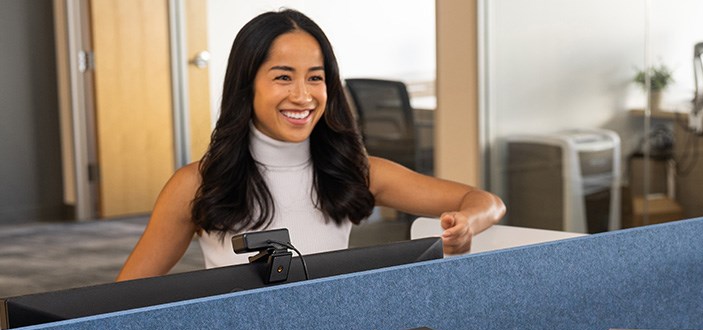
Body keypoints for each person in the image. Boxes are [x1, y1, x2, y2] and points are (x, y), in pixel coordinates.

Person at [117, 9, 504, 280]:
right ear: (246, 84)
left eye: (315, 78)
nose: (302, 96)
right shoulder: (196, 183)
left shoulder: (359, 171)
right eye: (283, 78)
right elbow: (123, 299)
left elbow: (487, 201)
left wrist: (468, 221)